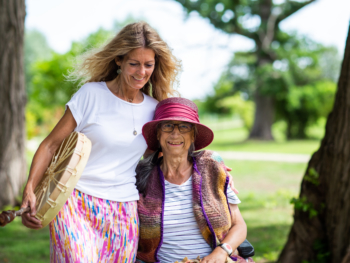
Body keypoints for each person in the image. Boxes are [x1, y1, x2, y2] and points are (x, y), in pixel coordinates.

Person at [21, 21, 181, 262]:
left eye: (148, 65)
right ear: (118, 60)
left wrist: (212, 168)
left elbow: (165, 154)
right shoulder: (91, 95)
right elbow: (50, 145)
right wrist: (30, 189)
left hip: (124, 209)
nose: (141, 72)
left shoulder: (154, 109)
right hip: (75, 201)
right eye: (133, 64)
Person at [135, 98, 254, 263]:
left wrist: (222, 251)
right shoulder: (141, 176)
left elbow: (239, 225)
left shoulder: (212, 168)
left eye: (184, 127)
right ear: (158, 134)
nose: (175, 133)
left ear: (193, 135)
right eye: (167, 126)